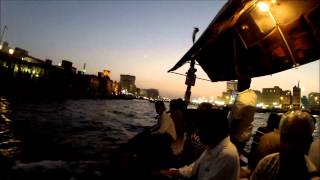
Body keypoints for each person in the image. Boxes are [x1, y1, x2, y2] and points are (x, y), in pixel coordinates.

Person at [159, 109, 240, 180]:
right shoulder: (213, 147)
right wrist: (175, 172)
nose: (197, 133)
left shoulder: (227, 155)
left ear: (214, 130)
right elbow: (194, 168)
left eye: (201, 128)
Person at [250, 110, 320, 180]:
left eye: (296, 140)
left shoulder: (267, 163)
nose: (289, 146)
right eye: (286, 138)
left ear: (308, 142)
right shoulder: (265, 163)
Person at [228, 75, 257, 154]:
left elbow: (236, 120)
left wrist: (228, 135)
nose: (237, 85)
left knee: (232, 155)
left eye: (238, 83)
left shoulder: (241, 98)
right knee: (238, 153)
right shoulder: (253, 95)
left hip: (237, 136)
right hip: (246, 133)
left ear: (241, 84)